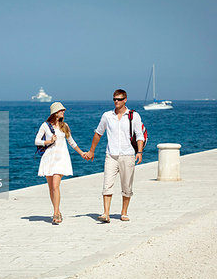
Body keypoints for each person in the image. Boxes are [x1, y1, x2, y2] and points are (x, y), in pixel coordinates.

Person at [85, 89, 144, 223]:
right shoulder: (107, 116)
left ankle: (124, 212)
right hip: (111, 155)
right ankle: (106, 213)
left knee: (127, 186)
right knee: (107, 184)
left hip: (128, 155)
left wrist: (139, 152)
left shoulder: (134, 116)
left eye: (119, 99)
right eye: (114, 99)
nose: (116, 101)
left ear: (125, 100)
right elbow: (98, 133)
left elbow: (139, 135)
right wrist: (91, 151)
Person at [35, 102, 87, 224]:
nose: (63, 112)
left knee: (55, 186)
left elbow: (71, 142)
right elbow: (37, 141)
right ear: (55, 113)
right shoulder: (45, 126)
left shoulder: (65, 126)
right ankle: (57, 211)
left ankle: (55, 213)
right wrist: (48, 141)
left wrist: (81, 153)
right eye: (60, 111)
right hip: (49, 158)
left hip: (61, 158)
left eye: (63, 110)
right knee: (51, 188)